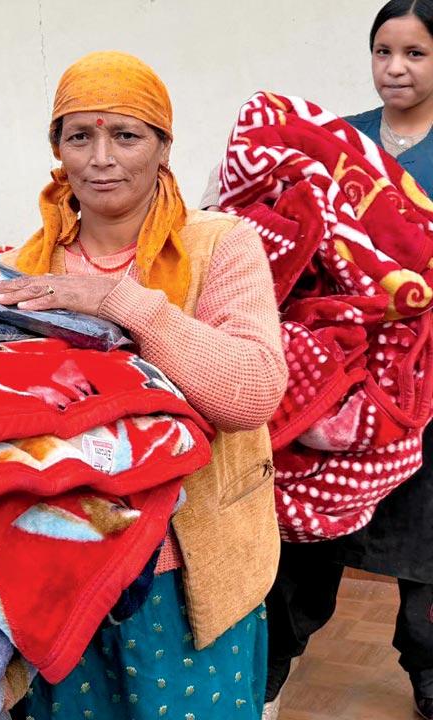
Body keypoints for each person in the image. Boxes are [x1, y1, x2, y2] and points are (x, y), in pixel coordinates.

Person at [0, 51, 287, 719]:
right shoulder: (21, 270)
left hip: (185, 576)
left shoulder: (222, 246)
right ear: (57, 150)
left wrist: (124, 303)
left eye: (125, 135)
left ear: (163, 147)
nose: (101, 158)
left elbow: (251, 394)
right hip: (57, 572)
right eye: (80, 137)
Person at [262, 3, 433, 718]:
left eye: (416, 53)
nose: (395, 68)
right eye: (383, 51)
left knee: (427, 559)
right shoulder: (342, 143)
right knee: (308, 547)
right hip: (341, 384)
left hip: (424, 386)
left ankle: (427, 679)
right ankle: (263, 680)